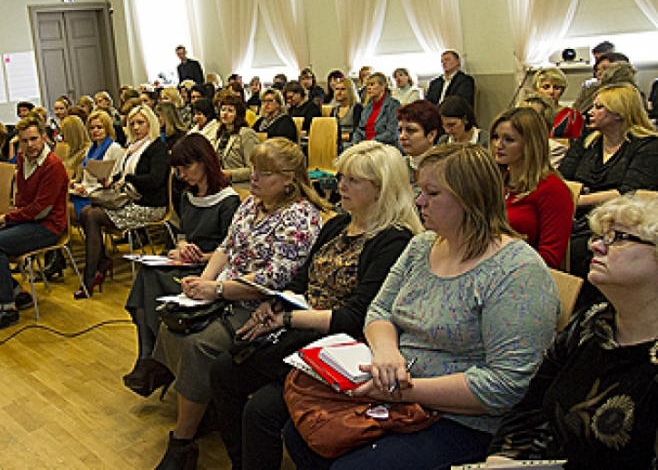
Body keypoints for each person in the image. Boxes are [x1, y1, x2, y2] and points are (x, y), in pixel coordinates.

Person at [283, 143, 560, 470]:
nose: (418, 202)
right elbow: (380, 310)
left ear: (470, 199)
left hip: (464, 420)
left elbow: (504, 386)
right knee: (301, 434)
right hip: (401, 394)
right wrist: (387, 352)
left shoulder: (517, 272)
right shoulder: (422, 245)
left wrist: (401, 392)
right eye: (419, 190)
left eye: (432, 193)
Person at [210, 141, 422, 470]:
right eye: (342, 177)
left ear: (381, 189)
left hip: (340, 343)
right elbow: (301, 279)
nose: (341, 185)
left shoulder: (393, 240)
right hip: (302, 327)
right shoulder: (338, 224)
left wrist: (290, 319)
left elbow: (357, 316)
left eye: (353, 180)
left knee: (261, 410)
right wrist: (274, 306)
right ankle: (240, 461)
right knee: (224, 370)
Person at [151, 138, 326, 470]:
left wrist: (215, 290)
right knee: (172, 327)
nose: (254, 178)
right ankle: (202, 407)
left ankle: (183, 442)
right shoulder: (252, 204)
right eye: (254, 170)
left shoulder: (302, 216)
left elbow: (275, 277)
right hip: (225, 290)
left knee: (199, 345)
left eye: (263, 173)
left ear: (289, 178)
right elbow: (226, 247)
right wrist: (202, 283)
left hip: (262, 304)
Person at [486, 191, 658, 468]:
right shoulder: (591, 324)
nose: (597, 247)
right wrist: (502, 459)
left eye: (619, 238)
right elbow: (530, 409)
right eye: (601, 236)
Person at [123, 134, 241, 397]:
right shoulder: (187, 195)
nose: (182, 175)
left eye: (186, 168)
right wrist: (181, 247)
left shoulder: (228, 201)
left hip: (209, 270)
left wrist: (200, 256)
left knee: (152, 282)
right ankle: (148, 357)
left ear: (204, 162)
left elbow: (231, 252)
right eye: (178, 170)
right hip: (187, 262)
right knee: (147, 275)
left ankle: (154, 361)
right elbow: (182, 233)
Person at [0, 116, 69, 332]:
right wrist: (13, 216)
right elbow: (23, 198)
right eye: (24, 141)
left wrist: (9, 218)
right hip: (27, 220)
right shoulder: (22, 158)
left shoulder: (53, 166)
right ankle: (16, 293)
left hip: (47, 226)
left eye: (34, 139)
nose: (30, 145)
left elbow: (42, 209)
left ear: (43, 137)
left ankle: (6, 310)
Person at [560, 84, 658, 308]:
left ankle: (589, 307)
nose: (590, 113)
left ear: (619, 113)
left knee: (579, 249)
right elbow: (562, 179)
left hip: (620, 223)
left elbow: (629, 193)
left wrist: (577, 199)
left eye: (599, 107)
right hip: (576, 215)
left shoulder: (647, 146)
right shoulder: (588, 141)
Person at [78, 105, 170, 299]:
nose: (136, 127)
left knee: (92, 215)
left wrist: (127, 179)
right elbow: (125, 174)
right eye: (132, 123)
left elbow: (155, 180)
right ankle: (100, 263)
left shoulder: (157, 147)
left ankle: (91, 275)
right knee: (86, 211)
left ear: (150, 123)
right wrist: (112, 180)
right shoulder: (133, 148)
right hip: (131, 199)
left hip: (150, 205)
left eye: (140, 123)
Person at [491, 108, 574, 269]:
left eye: (508, 140)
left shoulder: (553, 190)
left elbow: (550, 257)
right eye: (495, 137)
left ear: (530, 144)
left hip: (523, 275)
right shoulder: (497, 181)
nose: (498, 145)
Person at [69, 110, 124, 221]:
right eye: (92, 128)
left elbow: (115, 179)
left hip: (102, 194)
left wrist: (88, 189)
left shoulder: (115, 148)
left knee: (68, 209)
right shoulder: (90, 149)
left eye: (99, 127)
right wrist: (80, 186)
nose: (95, 131)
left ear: (107, 129)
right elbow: (86, 178)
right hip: (86, 192)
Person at [212, 94, 260, 190]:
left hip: (241, 187)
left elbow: (255, 169)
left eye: (230, 111)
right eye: (223, 110)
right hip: (222, 186)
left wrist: (230, 174)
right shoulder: (220, 133)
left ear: (238, 114)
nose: (225, 114)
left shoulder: (246, 134)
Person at [396, 99, 442, 196]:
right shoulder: (399, 166)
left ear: (431, 135)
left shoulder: (443, 170)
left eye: (411, 130)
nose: (402, 136)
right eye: (400, 130)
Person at [519, 92, 569, 168]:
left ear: (545, 121)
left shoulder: (556, 149)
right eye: (521, 114)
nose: (524, 120)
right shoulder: (511, 145)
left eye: (531, 116)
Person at [532, 66, 584, 140]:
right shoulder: (529, 114)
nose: (551, 92)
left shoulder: (572, 115)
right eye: (546, 87)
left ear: (562, 91)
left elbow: (578, 144)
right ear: (536, 89)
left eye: (556, 88)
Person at [351, 72, 400, 147]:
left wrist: (371, 142)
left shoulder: (393, 105)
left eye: (372, 84)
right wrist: (355, 141)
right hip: (365, 144)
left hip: (384, 145)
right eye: (367, 85)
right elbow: (360, 129)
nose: (369, 88)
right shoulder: (368, 106)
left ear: (383, 86)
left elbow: (392, 133)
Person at [328, 77, 360, 153]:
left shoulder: (357, 108)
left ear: (350, 91)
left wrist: (341, 137)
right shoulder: (334, 110)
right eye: (337, 89)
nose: (339, 92)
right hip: (335, 142)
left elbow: (359, 131)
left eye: (343, 89)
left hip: (351, 143)